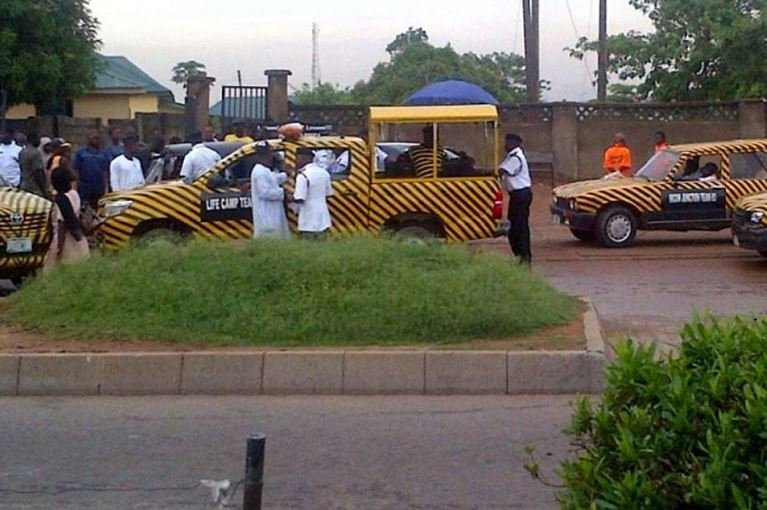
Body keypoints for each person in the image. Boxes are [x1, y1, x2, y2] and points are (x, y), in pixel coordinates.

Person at [45, 165, 90, 269]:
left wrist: (59, 249)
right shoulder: (74, 194)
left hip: (65, 244)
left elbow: (62, 225)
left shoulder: (60, 201)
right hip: (79, 240)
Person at [499, 133, 533, 265]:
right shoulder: (512, 156)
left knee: (520, 228)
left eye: (508, 142)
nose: (505, 145)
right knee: (516, 227)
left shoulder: (516, 158)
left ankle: (524, 257)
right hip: (517, 195)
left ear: (515, 143)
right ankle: (520, 255)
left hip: (521, 195)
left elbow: (502, 171)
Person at [250, 144, 290, 238]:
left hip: (273, 213)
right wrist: (284, 193)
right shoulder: (260, 172)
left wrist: (286, 174)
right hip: (266, 215)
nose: (272, 158)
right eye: (270, 155)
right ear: (263, 156)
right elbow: (265, 192)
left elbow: (274, 179)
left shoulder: (266, 170)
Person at [293, 149, 334, 237]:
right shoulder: (324, 173)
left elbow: (299, 198)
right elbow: (328, 194)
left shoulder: (303, 175)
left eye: (298, 158)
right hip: (323, 218)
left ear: (304, 158)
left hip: (308, 220)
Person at [73, 132, 110, 209]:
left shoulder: (103, 154)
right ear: (88, 139)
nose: (96, 140)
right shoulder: (81, 153)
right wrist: (76, 185)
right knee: (84, 208)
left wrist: (106, 186)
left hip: (99, 187)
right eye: (94, 138)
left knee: (98, 208)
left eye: (97, 138)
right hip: (85, 187)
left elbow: (105, 171)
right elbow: (76, 170)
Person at [19, 132, 48, 198]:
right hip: (34, 188)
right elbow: (37, 172)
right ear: (33, 139)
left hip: (24, 185)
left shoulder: (22, 152)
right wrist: (44, 190)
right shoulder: (35, 153)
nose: (39, 141)